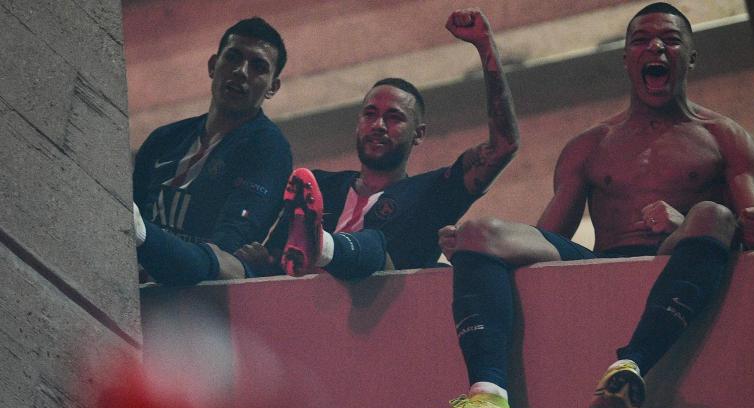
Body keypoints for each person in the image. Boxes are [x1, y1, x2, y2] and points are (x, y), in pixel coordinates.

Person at [410, 3, 754, 408]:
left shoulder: (725, 137)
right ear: (627, 59)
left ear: (691, 57)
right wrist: (475, 247)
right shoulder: (590, 144)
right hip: (602, 260)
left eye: (671, 39)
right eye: (641, 40)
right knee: (478, 231)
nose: (656, 46)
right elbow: (550, 238)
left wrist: (753, 233)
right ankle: (487, 396)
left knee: (713, 214)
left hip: (677, 255)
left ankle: (631, 366)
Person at [149, 8, 520, 284]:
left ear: (418, 134)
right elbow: (274, 258)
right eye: (370, 113)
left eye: (394, 118)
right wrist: (262, 257)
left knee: (372, 245)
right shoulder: (317, 185)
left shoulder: (431, 192)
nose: (378, 124)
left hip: (381, 322)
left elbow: (502, 147)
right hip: (299, 320)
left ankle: (327, 246)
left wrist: (486, 48)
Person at [133, 17, 292, 285]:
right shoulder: (163, 139)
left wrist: (146, 245)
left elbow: (228, 248)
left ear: (272, 87)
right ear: (212, 66)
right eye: (233, 57)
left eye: (258, 66)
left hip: (201, 300)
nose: (241, 71)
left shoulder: (269, 149)